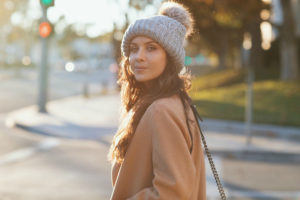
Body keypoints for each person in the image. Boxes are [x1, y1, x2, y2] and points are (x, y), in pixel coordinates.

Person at [108, 1, 206, 199]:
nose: (139, 57)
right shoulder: (174, 101)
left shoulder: (161, 110)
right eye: (134, 49)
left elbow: (172, 193)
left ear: (169, 57)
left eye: (151, 48)